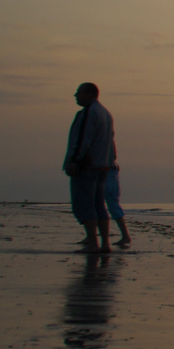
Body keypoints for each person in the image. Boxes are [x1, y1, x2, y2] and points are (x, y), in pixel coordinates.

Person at [62, 82, 115, 252]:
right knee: (99, 205)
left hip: (88, 166)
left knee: (85, 204)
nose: (75, 96)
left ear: (89, 94)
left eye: (78, 93)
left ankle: (93, 243)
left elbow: (83, 140)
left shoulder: (89, 113)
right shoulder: (106, 113)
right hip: (103, 166)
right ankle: (105, 243)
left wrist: (74, 161)